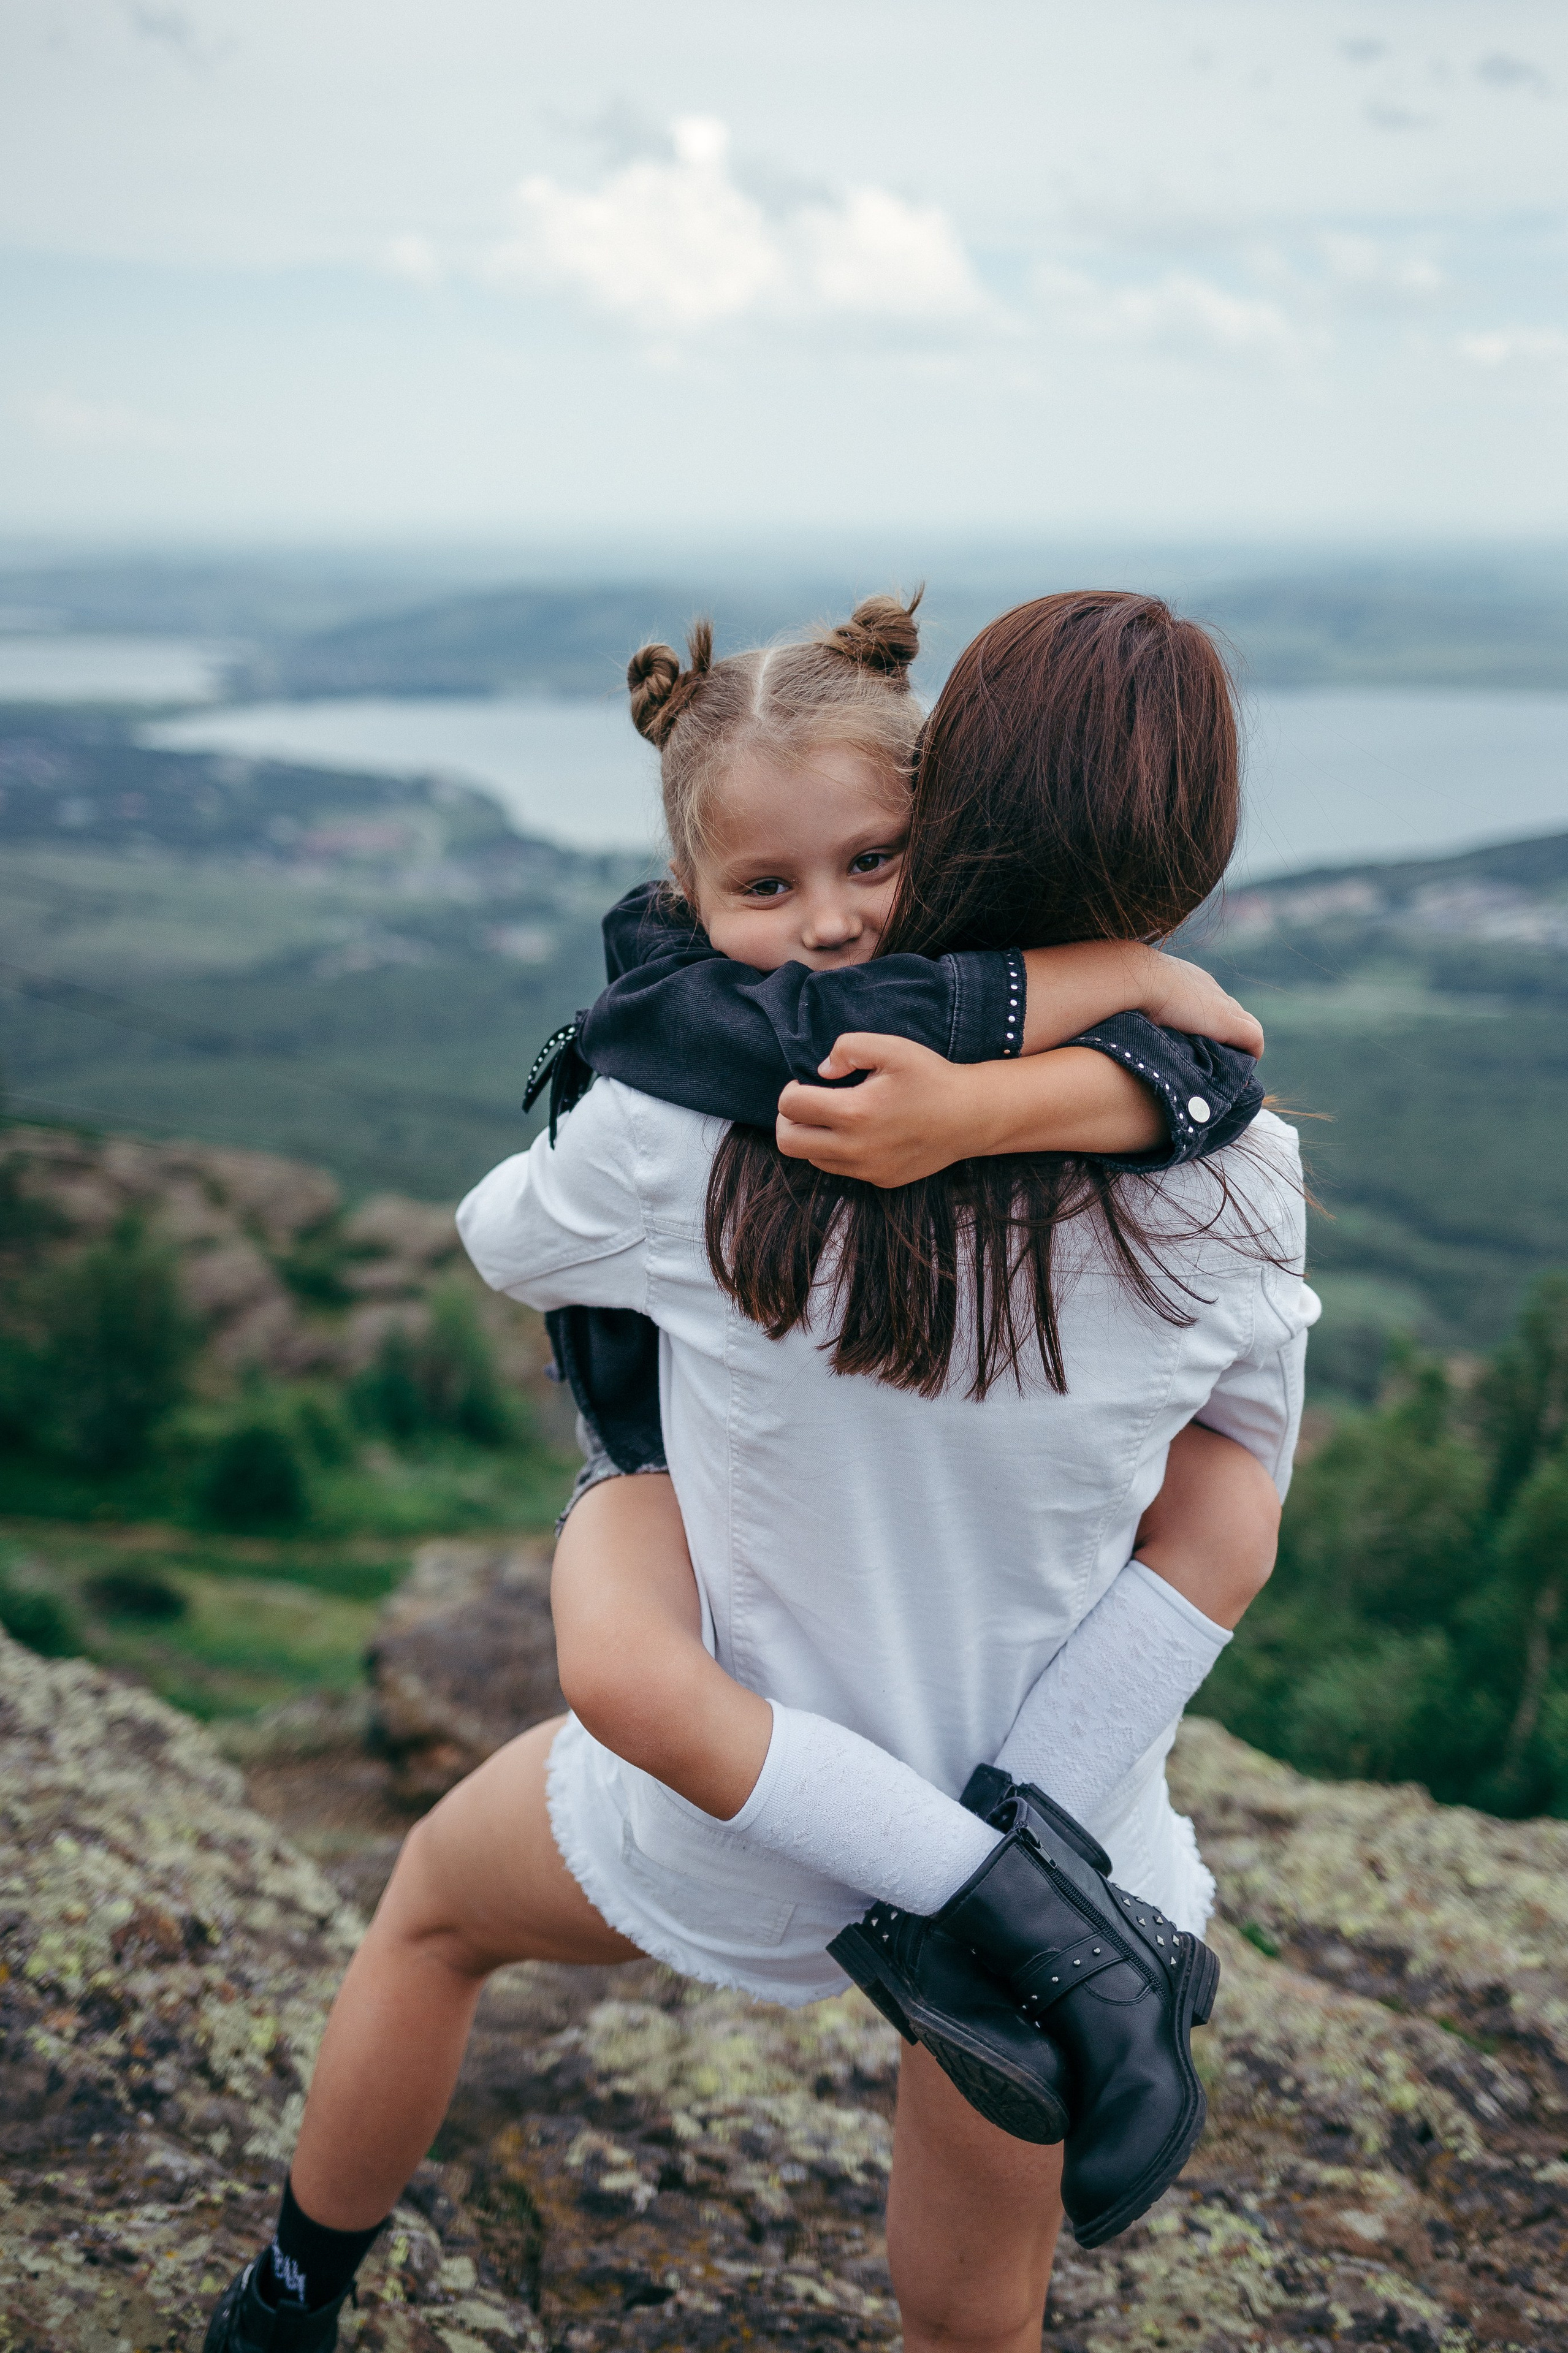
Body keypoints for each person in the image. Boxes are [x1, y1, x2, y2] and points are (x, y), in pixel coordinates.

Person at [202, 591, 1314, 2353]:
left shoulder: (682, 1134)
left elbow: (507, 1241)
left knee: (428, 1913)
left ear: (956, 815)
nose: (831, 921)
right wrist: (1012, 1866)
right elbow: (1231, 1514)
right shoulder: (1239, 1169)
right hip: (1066, 1861)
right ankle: (1028, 1929)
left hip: (739, 1819)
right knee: (973, 2324)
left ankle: (283, 2304)